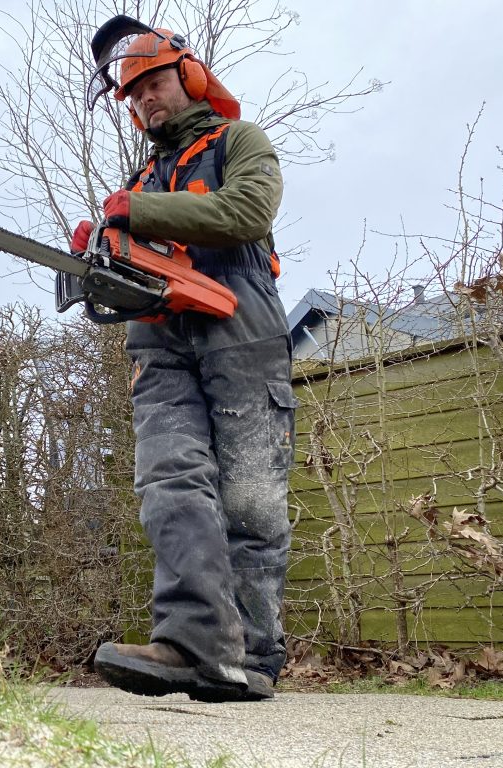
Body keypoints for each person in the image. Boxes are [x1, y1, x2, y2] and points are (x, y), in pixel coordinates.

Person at [74, 16, 296, 703]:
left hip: (243, 331)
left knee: (250, 499)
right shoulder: (142, 172)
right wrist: (100, 250)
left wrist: (137, 212)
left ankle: (250, 659)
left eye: (155, 84)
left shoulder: (239, 141)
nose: (145, 102)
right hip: (161, 341)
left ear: (191, 76)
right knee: (170, 480)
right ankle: (193, 640)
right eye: (133, 96)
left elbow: (248, 211)